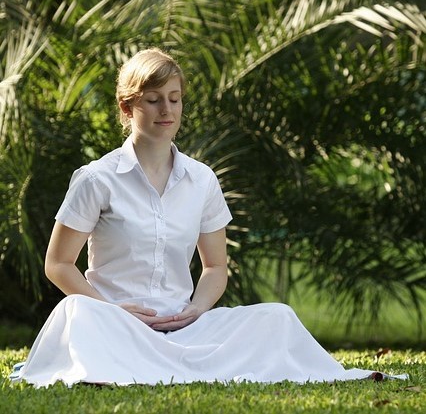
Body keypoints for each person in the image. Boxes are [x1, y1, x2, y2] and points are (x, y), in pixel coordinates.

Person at [11, 48, 406, 387]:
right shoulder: (96, 179)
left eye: (175, 98)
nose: (167, 109)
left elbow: (215, 266)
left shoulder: (201, 179)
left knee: (277, 316)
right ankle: (117, 359)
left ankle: (161, 359)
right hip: (113, 324)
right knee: (76, 313)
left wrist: (197, 309)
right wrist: (111, 310)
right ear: (127, 107)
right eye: (153, 100)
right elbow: (58, 264)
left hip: (185, 328)